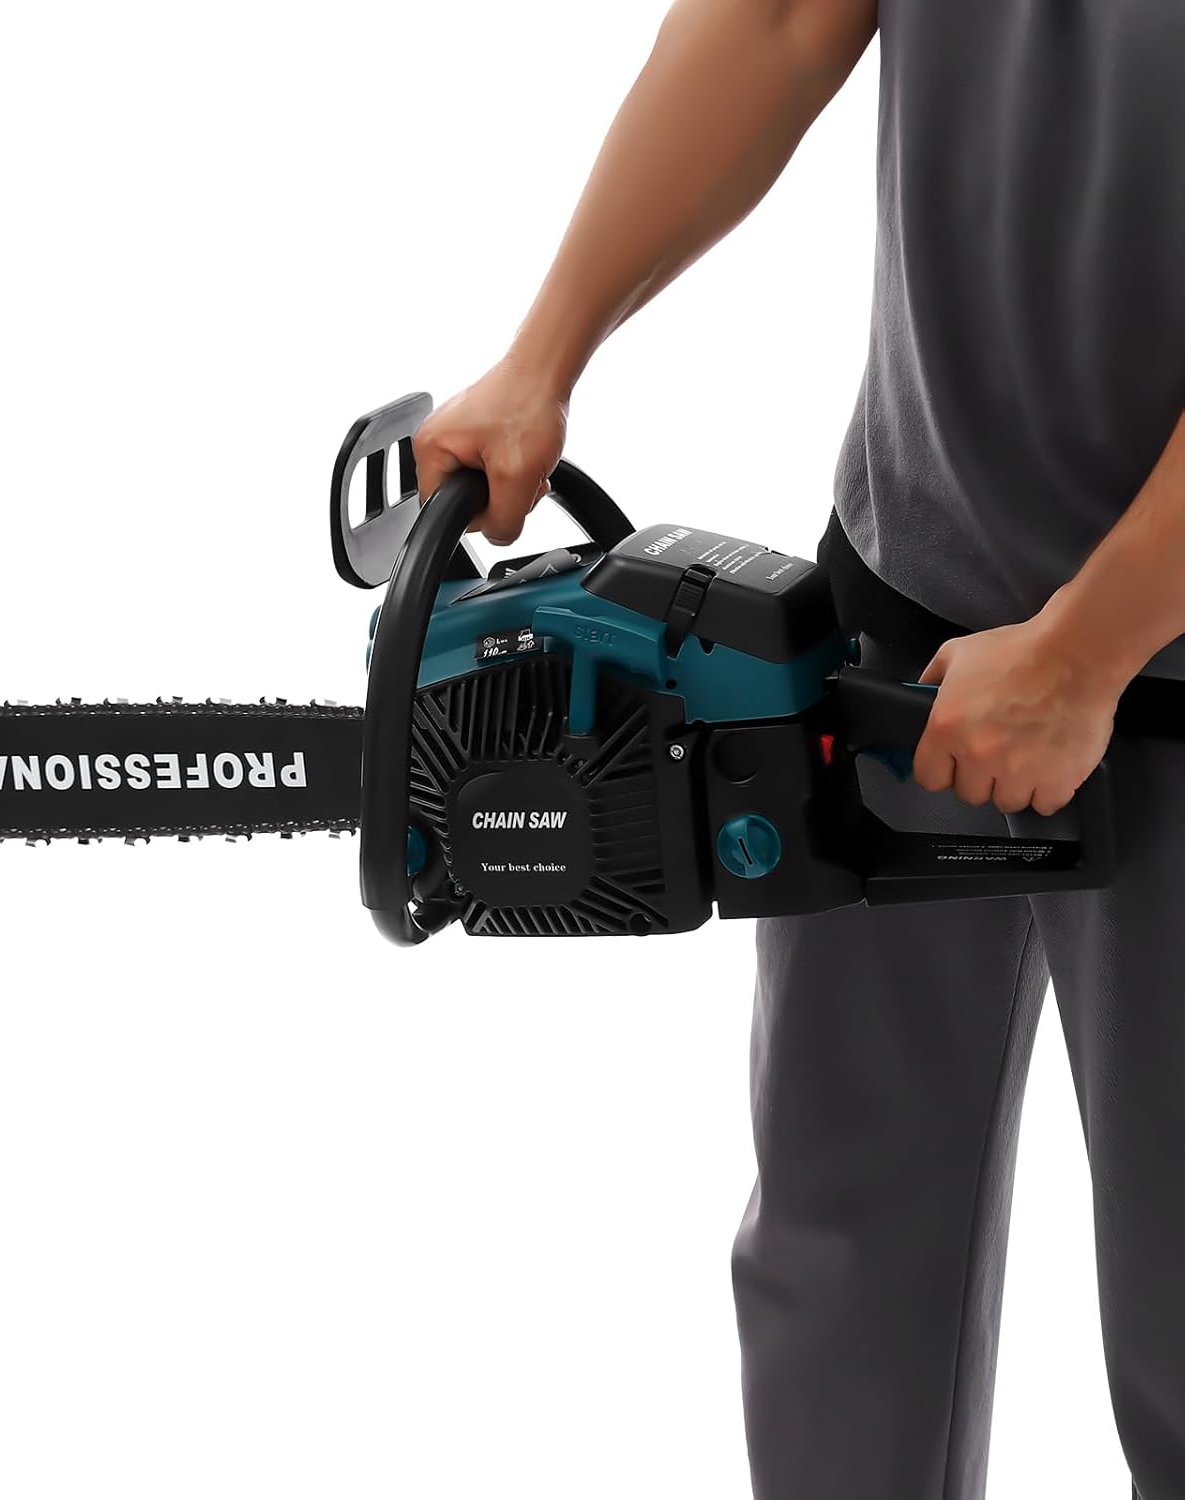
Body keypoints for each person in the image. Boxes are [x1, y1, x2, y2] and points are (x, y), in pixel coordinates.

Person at [408, 3, 1185, 1497]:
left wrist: (1090, 646)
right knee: (841, 1263)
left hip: (1162, 672)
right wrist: (544, 353)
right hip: (904, 602)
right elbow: (778, 19)